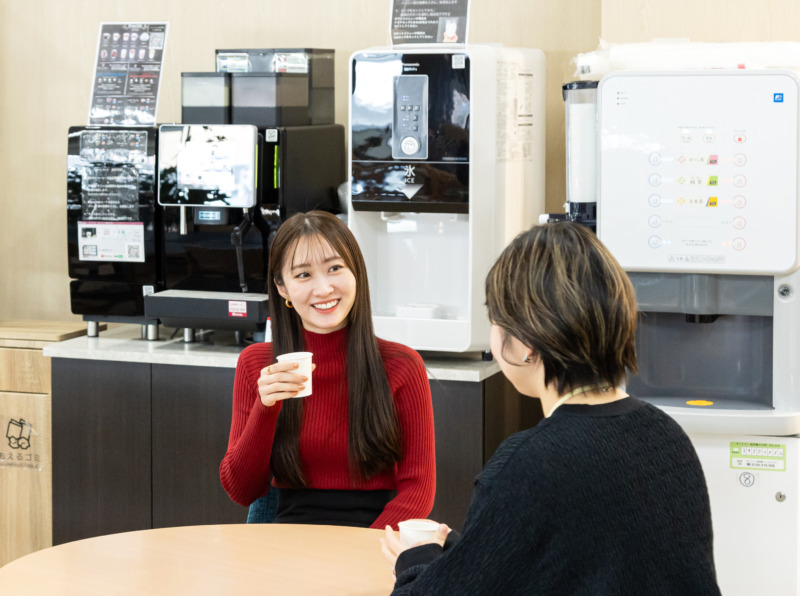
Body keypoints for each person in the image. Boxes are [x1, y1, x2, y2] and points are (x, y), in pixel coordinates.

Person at [381, 221, 721, 595]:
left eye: (494, 319)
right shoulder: (666, 435)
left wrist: (414, 559)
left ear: (525, 342)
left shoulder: (527, 465)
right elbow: (580, 564)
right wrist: (466, 550)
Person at [220, 211, 436, 529]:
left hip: (374, 542)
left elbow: (419, 492)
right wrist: (265, 407)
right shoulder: (257, 364)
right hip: (288, 542)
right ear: (282, 288)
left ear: (356, 273)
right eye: (303, 275)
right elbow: (242, 490)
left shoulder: (402, 366)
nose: (323, 289)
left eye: (335, 268)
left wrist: (358, 552)